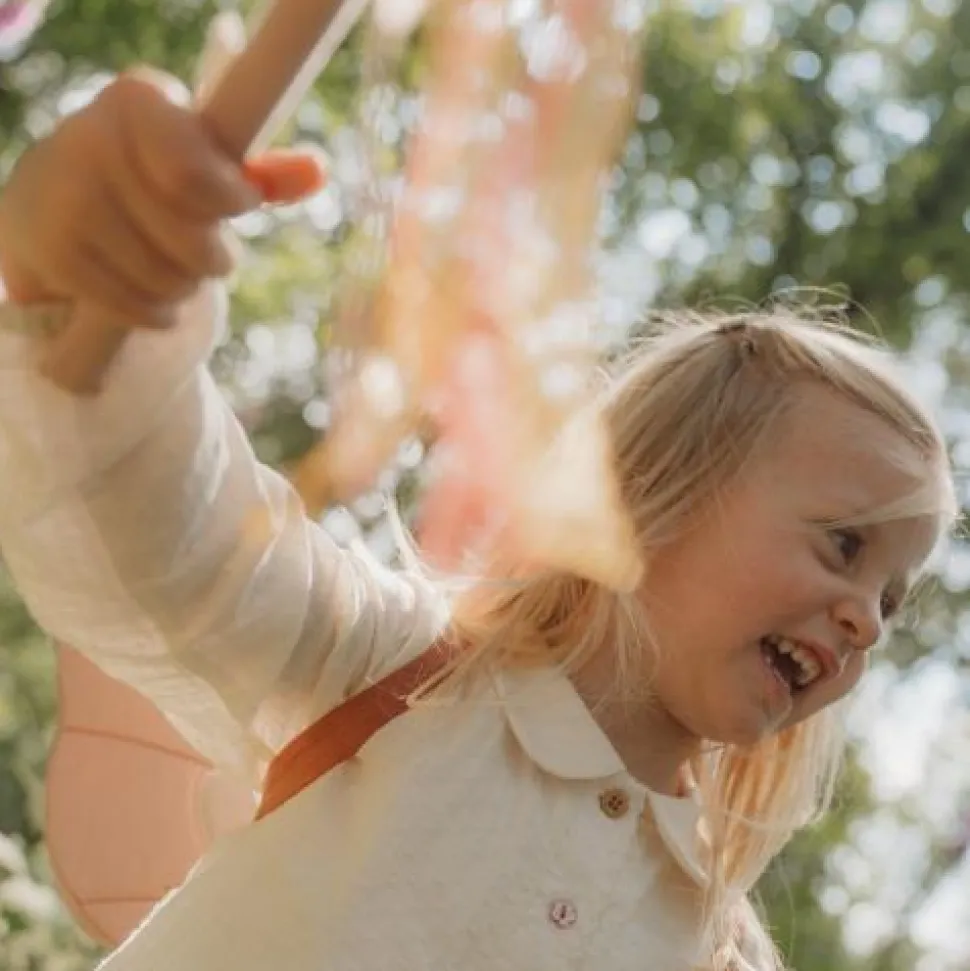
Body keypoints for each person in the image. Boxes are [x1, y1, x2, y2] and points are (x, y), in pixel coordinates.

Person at [0, 70, 956, 971]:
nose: (866, 619)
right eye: (844, 545)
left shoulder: (707, 942)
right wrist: (92, 297)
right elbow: (180, 540)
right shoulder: (394, 675)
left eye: (890, 597)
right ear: (661, 490)